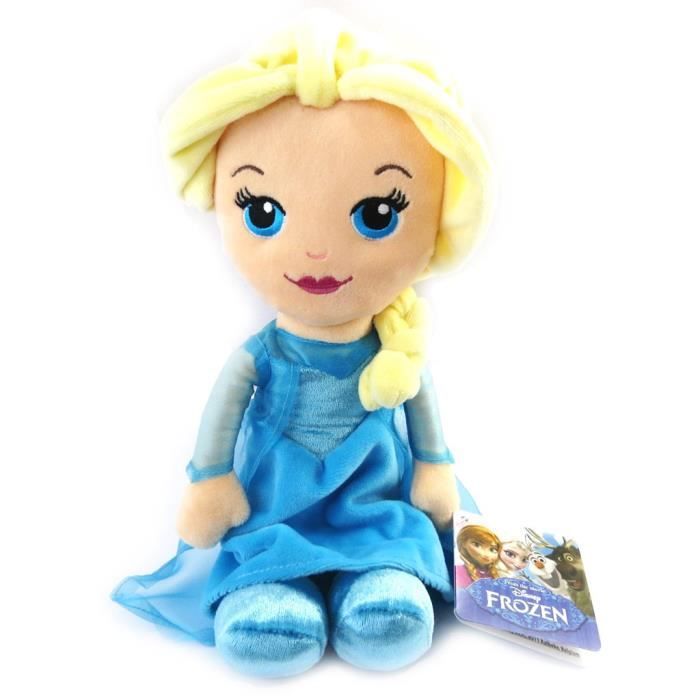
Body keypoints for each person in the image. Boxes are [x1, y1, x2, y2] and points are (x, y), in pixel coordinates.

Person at [112, 9, 492, 678]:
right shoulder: (261, 355)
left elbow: (422, 410)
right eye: (264, 213)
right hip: (274, 503)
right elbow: (222, 417)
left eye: (378, 214)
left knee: (388, 568)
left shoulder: (396, 347)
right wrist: (210, 480)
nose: (315, 251)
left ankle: (378, 576)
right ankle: (273, 587)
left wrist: (434, 466)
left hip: (374, 499)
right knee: (265, 560)